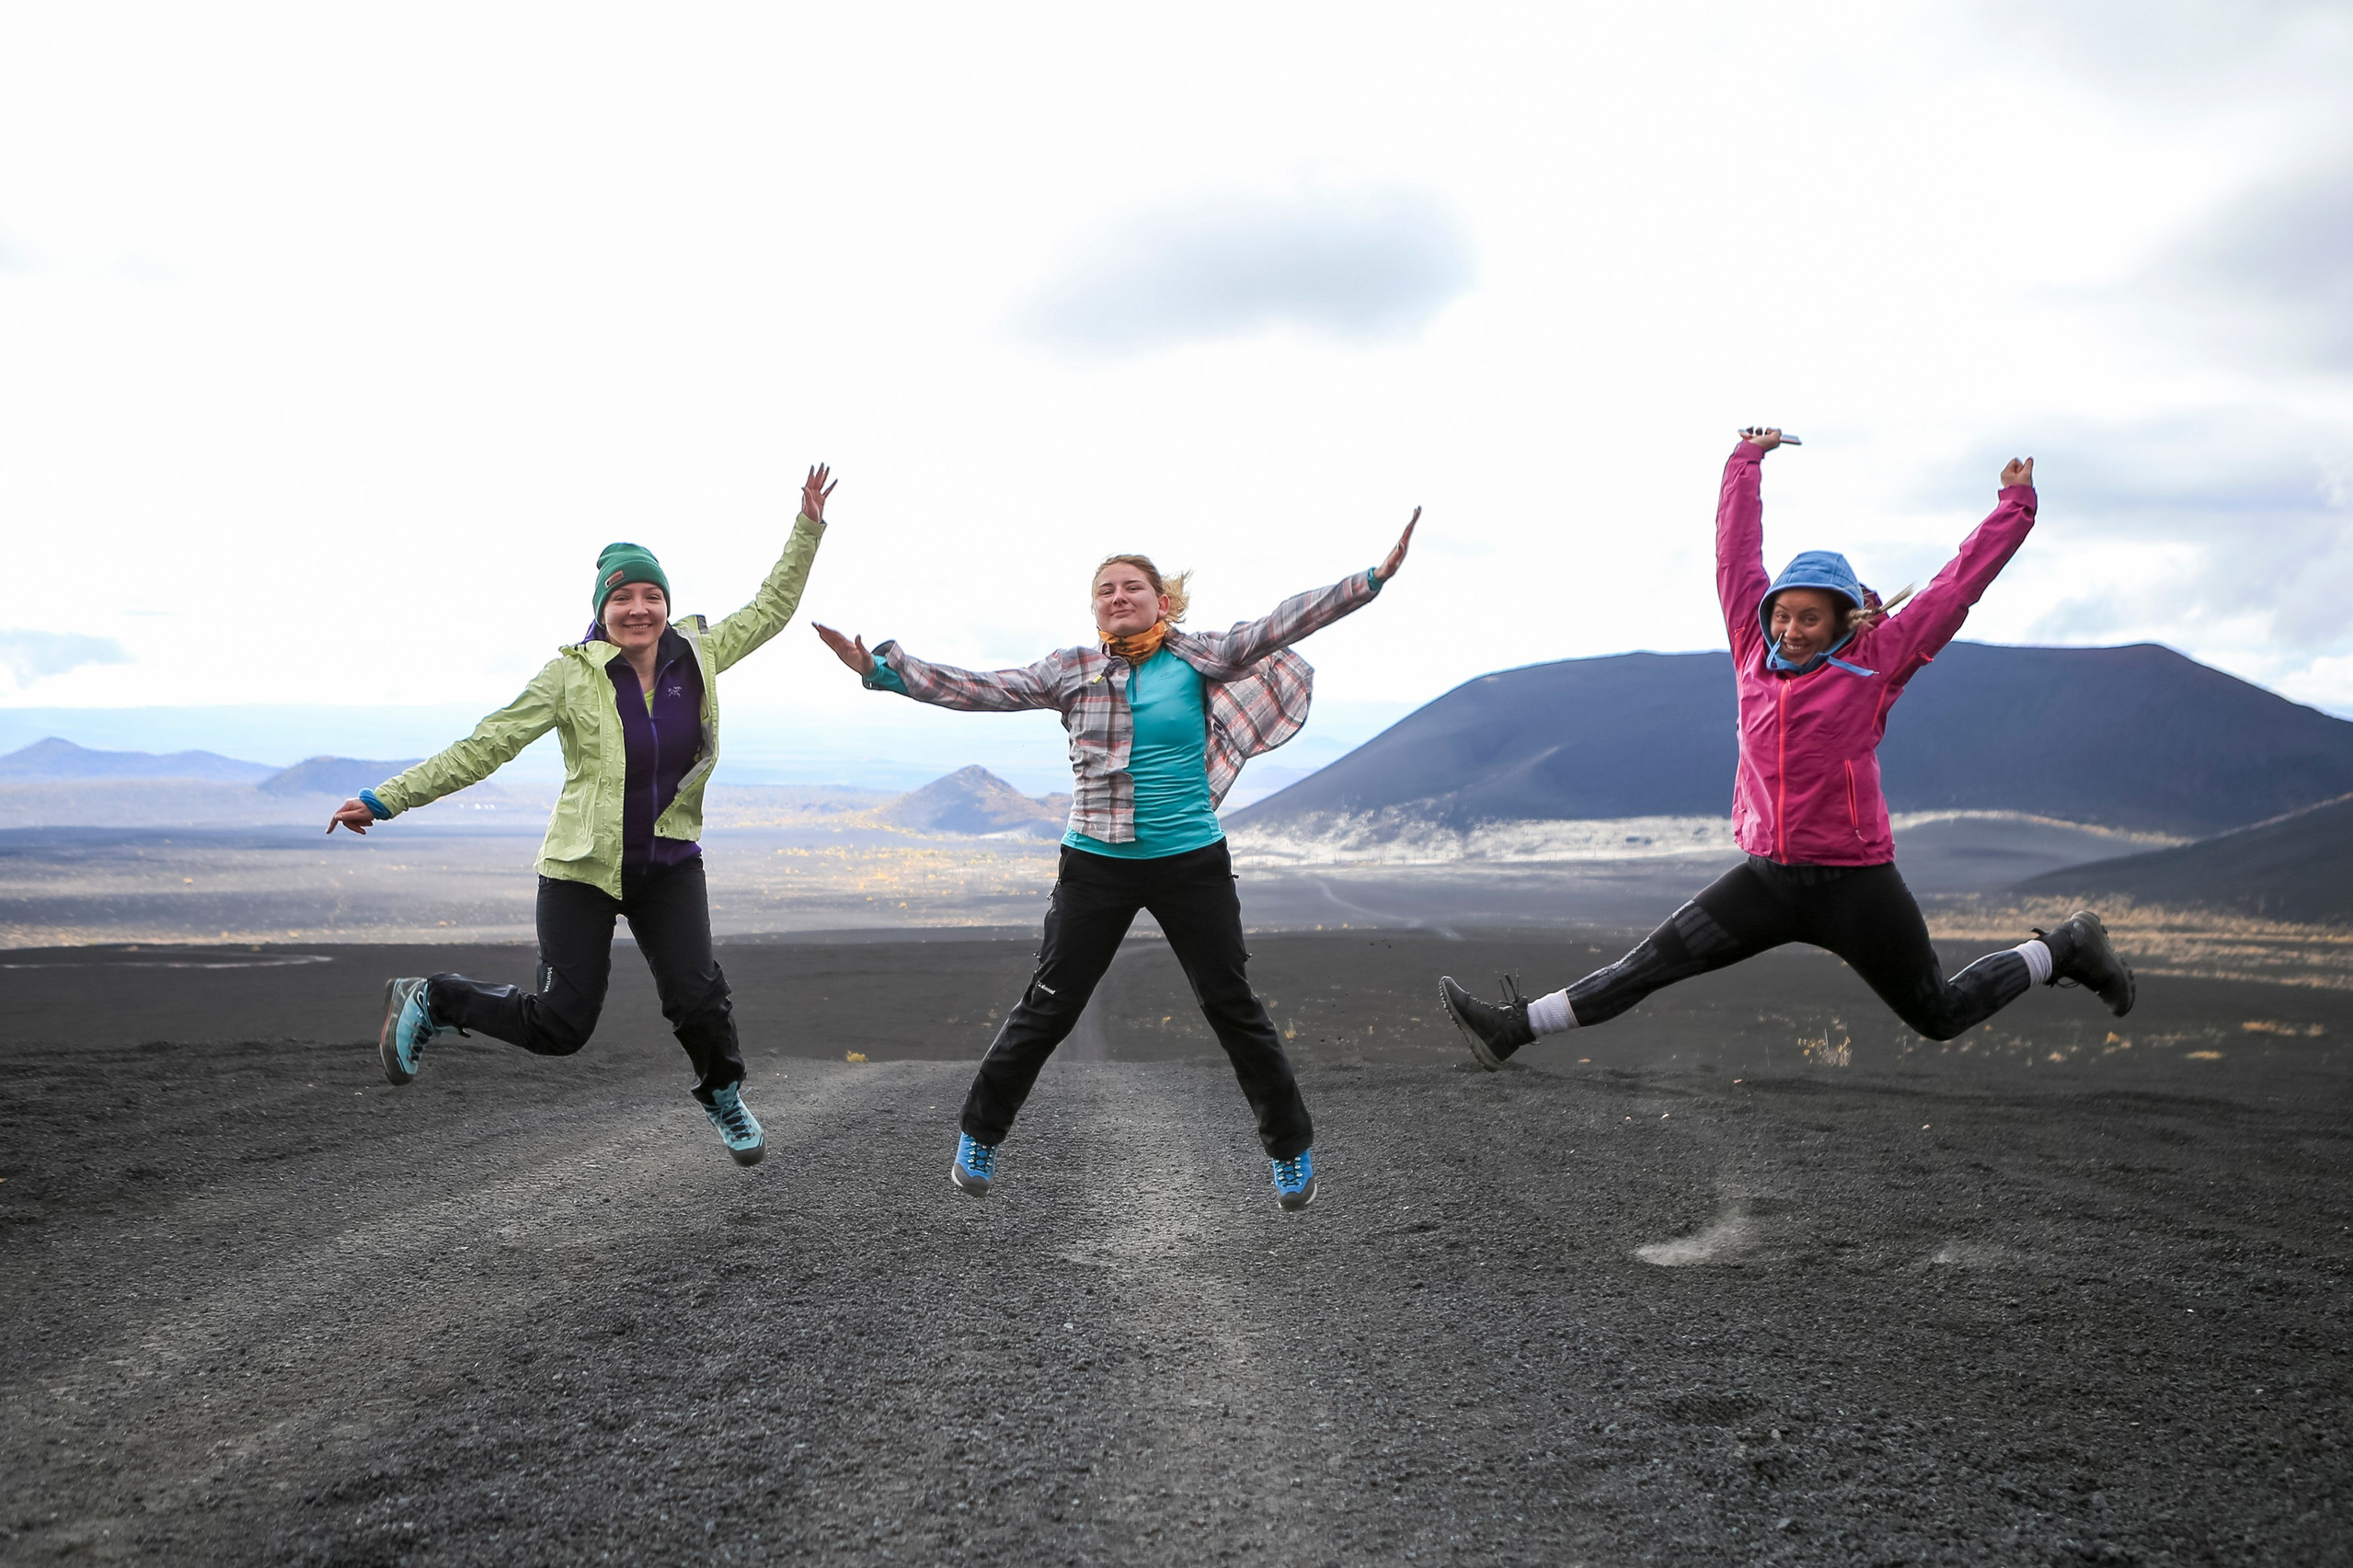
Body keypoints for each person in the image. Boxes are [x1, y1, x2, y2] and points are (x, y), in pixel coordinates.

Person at [1440, 429, 2133, 1067]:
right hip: (1769, 878)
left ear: (1839, 620)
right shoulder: (1753, 651)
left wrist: (2014, 506)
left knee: (1941, 1012)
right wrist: (1744, 463)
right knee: (1647, 964)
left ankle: (2064, 947)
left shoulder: (1876, 660)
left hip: (1855, 884)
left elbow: (1955, 590)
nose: (1791, 628)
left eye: (1809, 617)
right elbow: (1735, 557)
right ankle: (1514, 1028)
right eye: (1782, 613)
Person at [813, 510, 1419, 1210]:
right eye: (1105, 590)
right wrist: (884, 671)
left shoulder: (1198, 658)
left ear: (1163, 602)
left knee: (1231, 1005)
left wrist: (1371, 580)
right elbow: (979, 687)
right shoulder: (1070, 670)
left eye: (1132, 586)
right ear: (1094, 607)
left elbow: (1282, 623)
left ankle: (1290, 1151)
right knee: (1050, 1002)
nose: (1118, 597)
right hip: (1095, 863)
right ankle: (980, 1133)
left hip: (1190, 859)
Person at [328, 466, 838, 1165]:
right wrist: (389, 797)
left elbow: (772, 608)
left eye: (650, 595)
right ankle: (436, 999)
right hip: (581, 871)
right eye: (622, 597)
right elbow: (487, 744)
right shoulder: (569, 675)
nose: (638, 608)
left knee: (699, 997)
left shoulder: (701, 653)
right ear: (601, 610)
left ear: (666, 603)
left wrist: (807, 527)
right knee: (560, 1025)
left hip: (668, 865)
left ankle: (722, 1093)